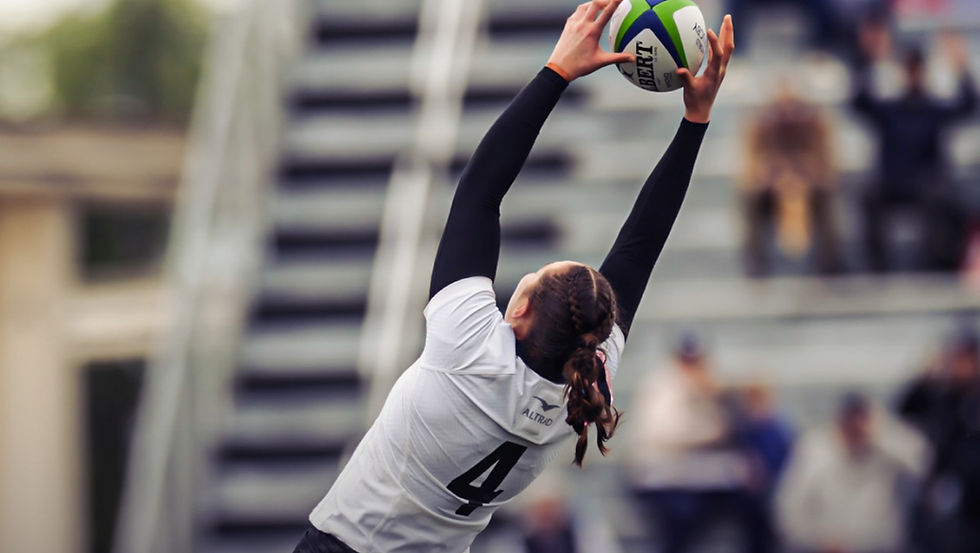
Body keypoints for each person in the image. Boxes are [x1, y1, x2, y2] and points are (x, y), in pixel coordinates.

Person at [290, 3, 736, 552]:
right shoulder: (579, 388)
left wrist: (558, 70)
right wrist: (697, 121)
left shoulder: (472, 350)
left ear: (518, 313)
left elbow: (480, 191)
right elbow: (639, 249)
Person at [626, 334, 772, 553]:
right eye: (687, 359)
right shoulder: (662, 385)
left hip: (695, 476)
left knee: (753, 503)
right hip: (660, 477)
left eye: (696, 359)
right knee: (681, 515)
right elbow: (664, 434)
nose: (692, 365)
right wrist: (710, 431)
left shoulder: (709, 385)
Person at [852, 20, 977, 272]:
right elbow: (859, 102)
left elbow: (968, 104)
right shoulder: (889, 109)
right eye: (908, 68)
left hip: (926, 185)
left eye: (916, 68)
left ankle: (935, 266)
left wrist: (961, 66)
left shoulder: (933, 108)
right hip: (892, 184)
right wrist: (870, 60)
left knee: (945, 200)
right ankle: (879, 270)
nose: (912, 73)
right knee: (866, 197)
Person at [776, 392, 929, 553]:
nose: (856, 428)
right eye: (850, 420)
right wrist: (817, 539)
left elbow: (922, 463)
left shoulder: (889, 450)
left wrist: (879, 434)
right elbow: (789, 506)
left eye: (862, 419)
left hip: (881, 547)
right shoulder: (815, 450)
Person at [741, 84, 841, 276]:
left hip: (812, 189)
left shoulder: (816, 127)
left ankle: (830, 266)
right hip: (769, 192)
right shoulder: (759, 129)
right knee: (750, 202)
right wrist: (774, 175)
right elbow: (750, 171)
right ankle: (757, 267)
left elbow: (829, 169)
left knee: (828, 203)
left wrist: (803, 174)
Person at [896, 327, 980, 553]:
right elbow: (904, 413)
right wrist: (924, 378)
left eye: (965, 358)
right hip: (945, 508)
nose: (958, 366)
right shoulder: (943, 397)